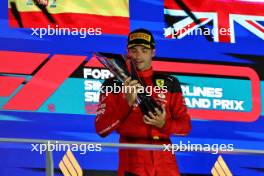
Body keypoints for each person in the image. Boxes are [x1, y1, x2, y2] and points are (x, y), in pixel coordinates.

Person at [95, 28, 191, 176]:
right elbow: (101, 129)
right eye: (134, 50)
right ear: (127, 52)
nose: (138, 55)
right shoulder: (113, 83)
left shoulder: (170, 82)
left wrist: (164, 124)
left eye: (144, 50)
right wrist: (126, 103)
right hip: (132, 161)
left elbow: (185, 126)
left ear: (153, 52)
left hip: (166, 163)